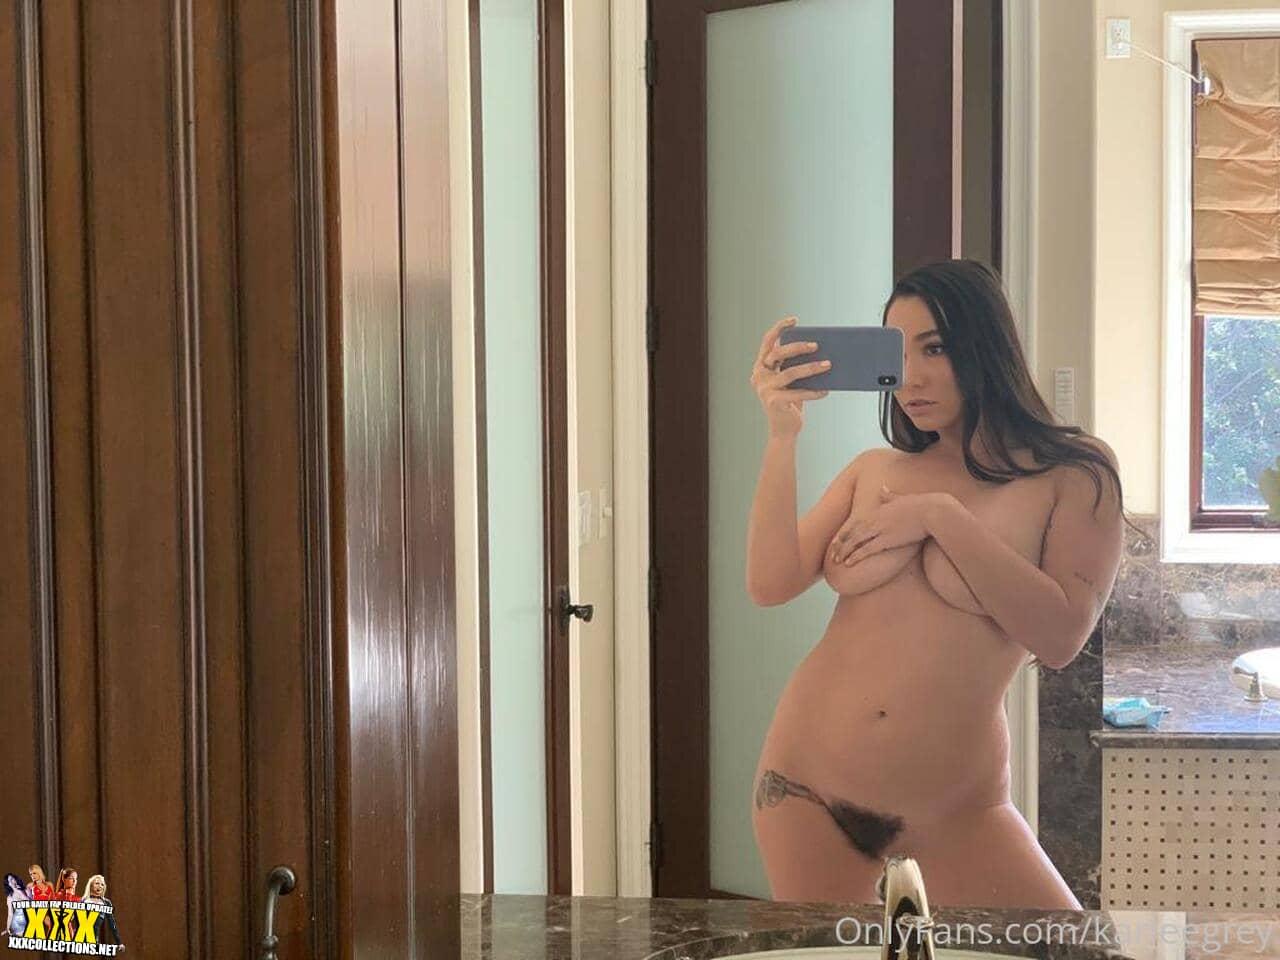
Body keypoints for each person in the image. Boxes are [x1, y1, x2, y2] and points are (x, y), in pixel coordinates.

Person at [746, 259, 1129, 908]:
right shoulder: (874, 469)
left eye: (936, 348)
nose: (912, 378)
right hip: (806, 788)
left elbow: (1061, 636)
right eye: (897, 354)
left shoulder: (1074, 474)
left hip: (958, 814)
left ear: (987, 347)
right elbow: (770, 582)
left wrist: (938, 518)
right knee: (831, 956)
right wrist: (783, 435)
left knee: (1070, 950)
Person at [82, 874, 123, 948]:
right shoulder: (83, 901)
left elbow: (112, 924)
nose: (100, 886)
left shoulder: (106, 903)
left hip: (94, 943)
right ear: (91, 885)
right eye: (97, 883)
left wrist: (119, 942)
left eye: (102, 884)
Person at [5, 873, 27, 938]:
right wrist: (8, 927)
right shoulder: (10, 898)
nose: (12, 881)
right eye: (10, 881)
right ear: (8, 884)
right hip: (19, 922)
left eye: (12, 879)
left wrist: (21, 892)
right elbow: (10, 914)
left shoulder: (22, 890)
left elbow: (32, 903)